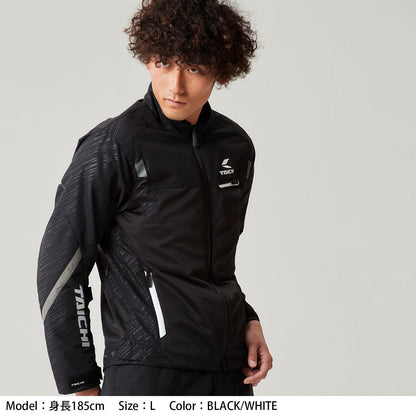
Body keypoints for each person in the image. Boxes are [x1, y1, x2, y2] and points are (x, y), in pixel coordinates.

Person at [37, 0, 273, 396]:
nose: (175, 85)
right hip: (147, 372)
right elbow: (61, 267)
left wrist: (247, 318)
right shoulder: (115, 144)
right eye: (164, 63)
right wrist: (81, 382)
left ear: (220, 70)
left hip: (228, 371)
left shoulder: (234, 147)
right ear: (148, 59)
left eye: (194, 68)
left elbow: (216, 263)